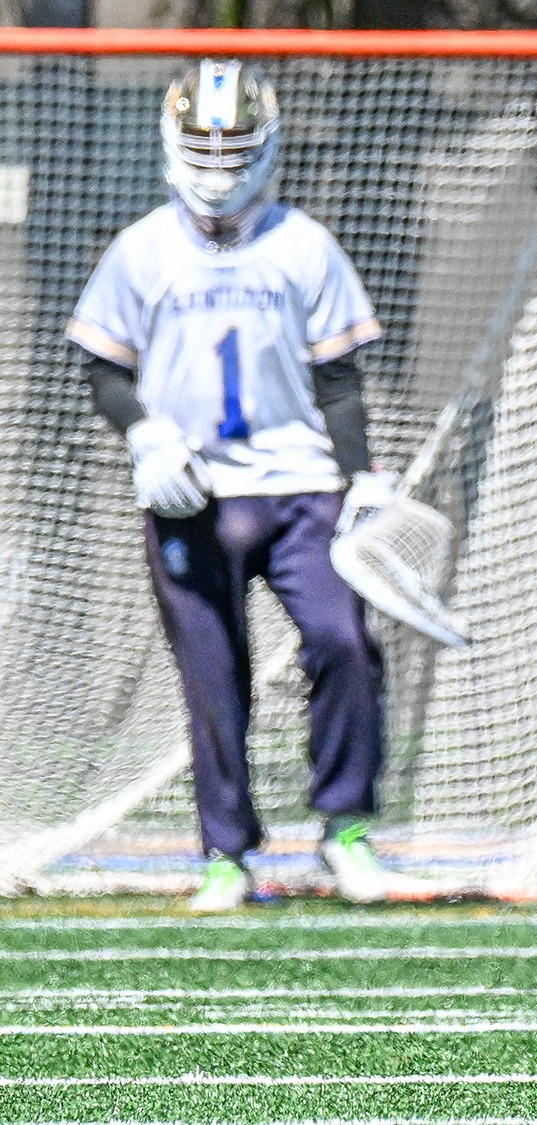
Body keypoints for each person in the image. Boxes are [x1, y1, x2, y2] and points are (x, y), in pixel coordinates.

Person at [67, 60, 396, 914]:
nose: (218, 160)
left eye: (234, 143)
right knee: (213, 676)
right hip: (191, 494)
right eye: (204, 142)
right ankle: (226, 852)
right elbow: (104, 368)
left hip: (298, 487)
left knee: (344, 641)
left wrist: (362, 477)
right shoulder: (141, 248)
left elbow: (340, 380)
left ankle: (345, 827)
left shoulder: (303, 244)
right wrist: (143, 429)